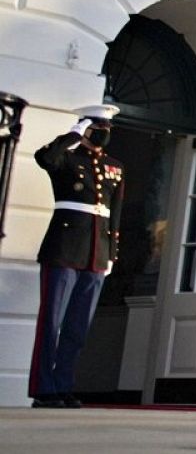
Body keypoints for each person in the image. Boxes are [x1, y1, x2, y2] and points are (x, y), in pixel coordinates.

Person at [29, 104, 125, 408]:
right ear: (86, 129)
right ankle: (45, 388)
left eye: (107, 129)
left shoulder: (115, 166)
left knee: (77, 327)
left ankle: (64, 384)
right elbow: (45, 158)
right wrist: (73, 133)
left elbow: (115, 215)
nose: (104, 134)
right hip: (65, 248)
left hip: (96, 253)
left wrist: (111, 254)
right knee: (52, 322)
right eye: (98, 128)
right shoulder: (66, 158)